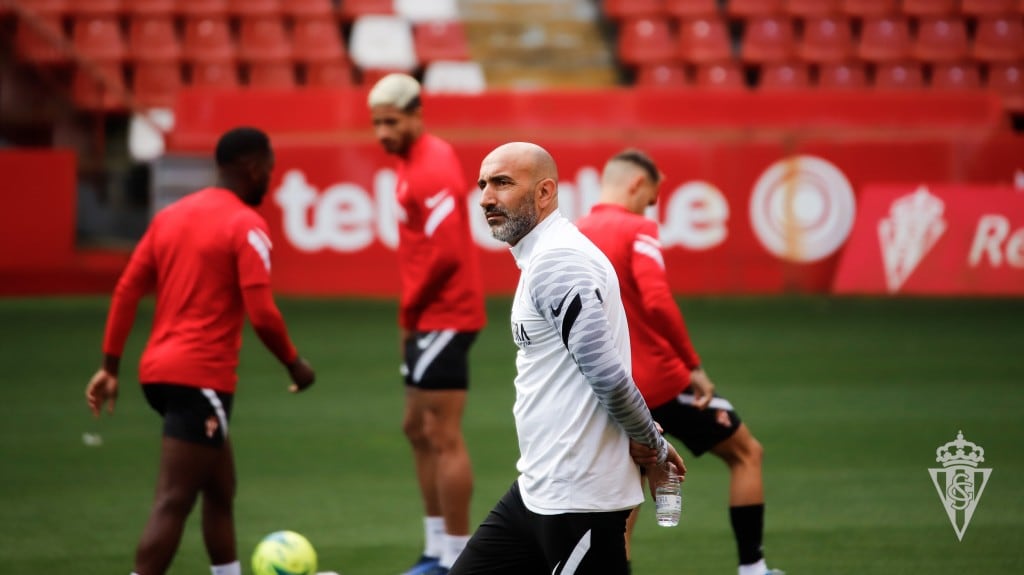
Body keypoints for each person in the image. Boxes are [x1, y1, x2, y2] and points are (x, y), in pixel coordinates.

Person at [84, 126, 316, 575]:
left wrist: (110, 366)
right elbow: (263, 313)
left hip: (158, 374)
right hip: (200, 379)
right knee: (174, 500)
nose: (270, 178)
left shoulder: (171, 216)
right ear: (251, 167)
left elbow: (127, 288)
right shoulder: (246, 225)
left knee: (219, 488)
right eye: (268, 169)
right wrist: (295, 363)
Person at [450, 142, 687, 575]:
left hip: (580, 498)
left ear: (545, 193)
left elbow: (607, 375)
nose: (485, 197)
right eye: (483, 184)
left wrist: (652, 449)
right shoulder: (541, 257)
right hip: (537, 490)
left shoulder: (560, 261)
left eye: (502, 183)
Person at [576, 149, 782, 575]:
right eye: (650, 196)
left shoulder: (575, 235)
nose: (650, 207)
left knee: (623, 507)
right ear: (636, 184)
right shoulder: (638, 229)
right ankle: (753, 569)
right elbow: (656, 300)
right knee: (746, 454)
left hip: (605, 392)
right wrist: (692, 363)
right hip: (661, 386)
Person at [367, 73, 486, 575]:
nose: (381, 133)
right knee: (416, 427)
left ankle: (456, 558)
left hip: (446, 314)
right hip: (425, 314)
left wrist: (410, 308)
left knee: (442, 434)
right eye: (375, 124)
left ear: (417, 114)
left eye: (391, 122)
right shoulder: (407, 161)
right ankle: (435, 548)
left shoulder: (433, 165)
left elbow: (448, 254)